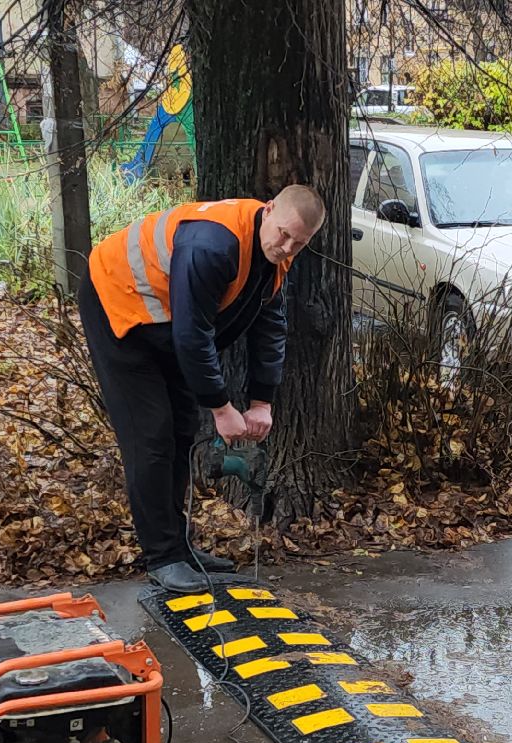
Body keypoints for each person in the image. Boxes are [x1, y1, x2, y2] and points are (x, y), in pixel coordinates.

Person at [79, 186, 327, 593]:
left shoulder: (274, 254)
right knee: (151, 435)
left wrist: (262, 401)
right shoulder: (212, 245)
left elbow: (269, 326)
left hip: (165, 323)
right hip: (118, 306)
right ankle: (163, 557)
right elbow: (192, 335)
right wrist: (221, 408)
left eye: (298, 243)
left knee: (181, 429)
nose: (286, 248)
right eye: (283, 235)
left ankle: (178, 548)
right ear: (268, 211)